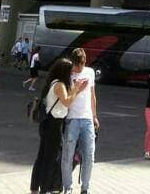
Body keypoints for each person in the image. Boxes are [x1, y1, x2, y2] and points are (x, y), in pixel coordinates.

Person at [30, 58, 89, 194]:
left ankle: (34, 188)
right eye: (70, 71)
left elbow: (65, 101)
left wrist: (76, 90)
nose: (71, 74)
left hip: (47, 123)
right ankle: (45, 189)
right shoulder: (60, 85)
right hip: (54, 125)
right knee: (50, 159)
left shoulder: (54, 82)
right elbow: (67, 102)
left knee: (42, 156)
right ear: (64, 72)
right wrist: (77, 89)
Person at [61, 48, 99, 194]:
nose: (80, 69)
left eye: (82, 65)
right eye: (77, 66)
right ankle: (68, 187)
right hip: (72, 119)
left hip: (87, 118)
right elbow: (66, 99)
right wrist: (77, 88)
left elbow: (92, 95)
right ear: (73, 63)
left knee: (89, 155)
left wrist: (95, 116)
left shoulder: (90, 72)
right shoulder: (67, 74)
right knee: (68, 155)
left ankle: (85, 187)